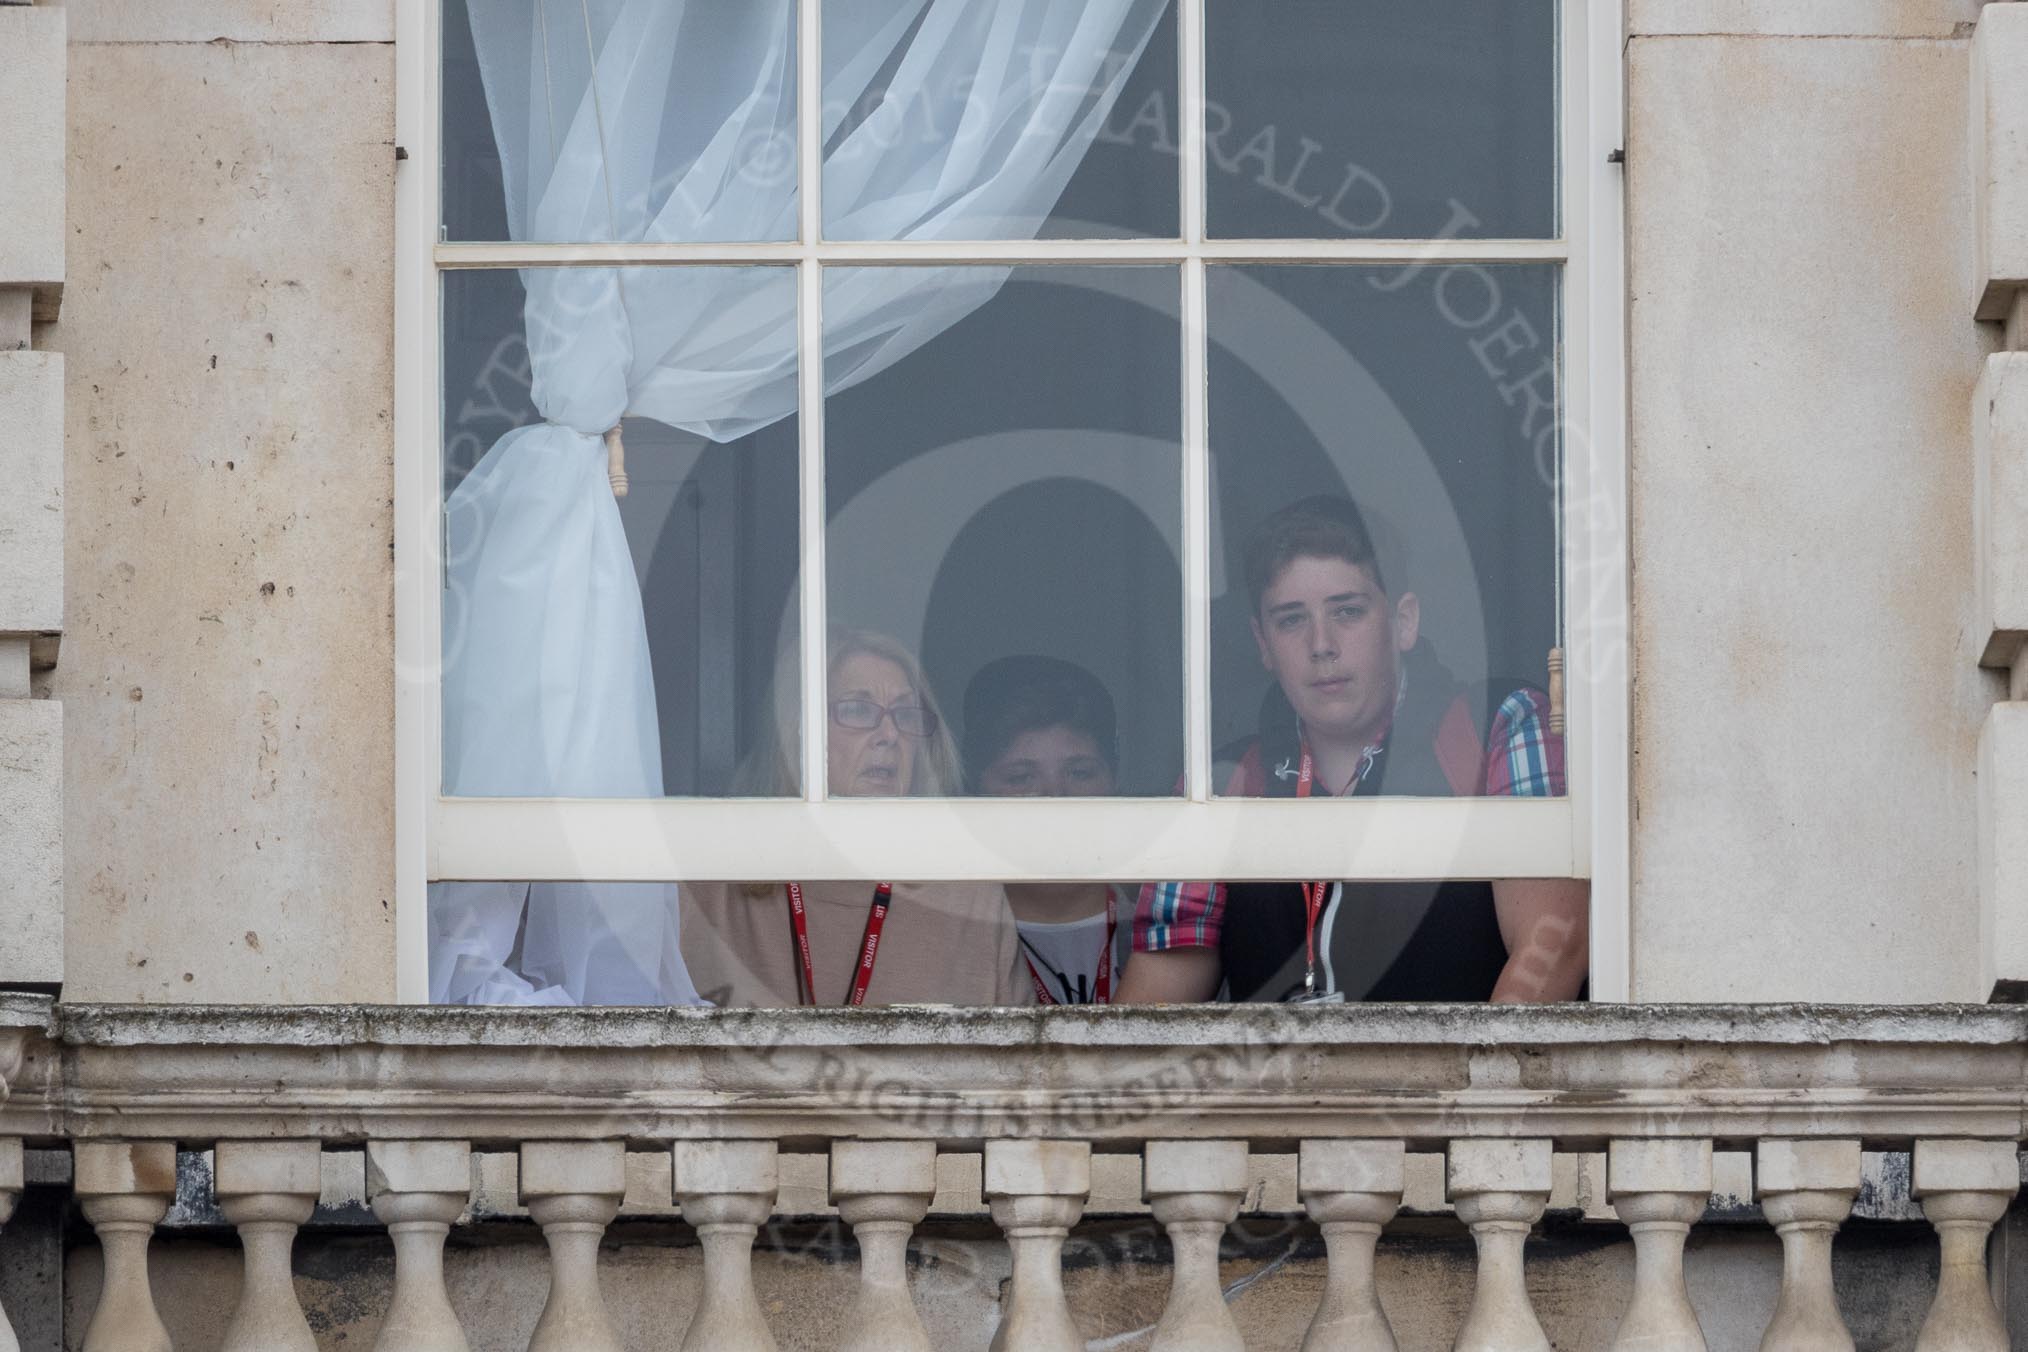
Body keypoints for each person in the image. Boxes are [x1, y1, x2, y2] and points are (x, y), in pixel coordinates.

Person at [1116, 495, 1590, 1005]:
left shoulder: (1500, 724)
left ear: (1403, 622)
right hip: (1269, 1087)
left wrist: (1471, 1084)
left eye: (1347, 611)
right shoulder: (1222, 780)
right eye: (1291, 620)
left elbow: (1555, 947)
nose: (1322, 644)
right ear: (1262, 643)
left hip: (1454, 1084)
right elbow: (1153, 1013)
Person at [682, 627, 1034, 1007]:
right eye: (858, 710)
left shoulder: (968, 896)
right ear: (796, 732)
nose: (889, 734)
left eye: (905, 715)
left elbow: (1024, 1062)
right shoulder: (712, 887)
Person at [963, 655, 1135, 1005]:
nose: (1055, 800)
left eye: (1080, 773)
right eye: (1021, 778)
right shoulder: (951, 933)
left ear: (1114, 780)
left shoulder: (1160, 922)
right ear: (976, 793)